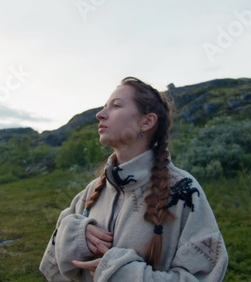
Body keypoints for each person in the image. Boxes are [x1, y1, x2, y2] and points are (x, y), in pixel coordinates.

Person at [39, 77, 228, 281]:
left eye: (116, 106)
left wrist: (121, 273)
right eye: (104, 107)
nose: (100, 115)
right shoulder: (92, 191)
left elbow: (204, 277)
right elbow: (52, 269)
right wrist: (72, 235)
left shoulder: (184, 191)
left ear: (146, 122)